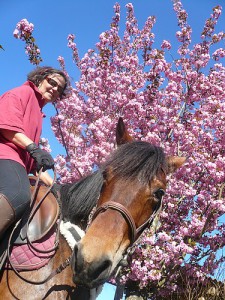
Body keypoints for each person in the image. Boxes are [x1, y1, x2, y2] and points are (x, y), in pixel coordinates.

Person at [0, 66, 68, 239]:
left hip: (19, 164)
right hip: (4, 153)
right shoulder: (23, 93)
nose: (55, 89)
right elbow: (7, 127)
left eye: (59, 89)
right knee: (17, 195)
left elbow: (32, 164)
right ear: (39, 78)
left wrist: (56, 187)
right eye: (52, 82)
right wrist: (33, 148)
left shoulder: (38, 112)